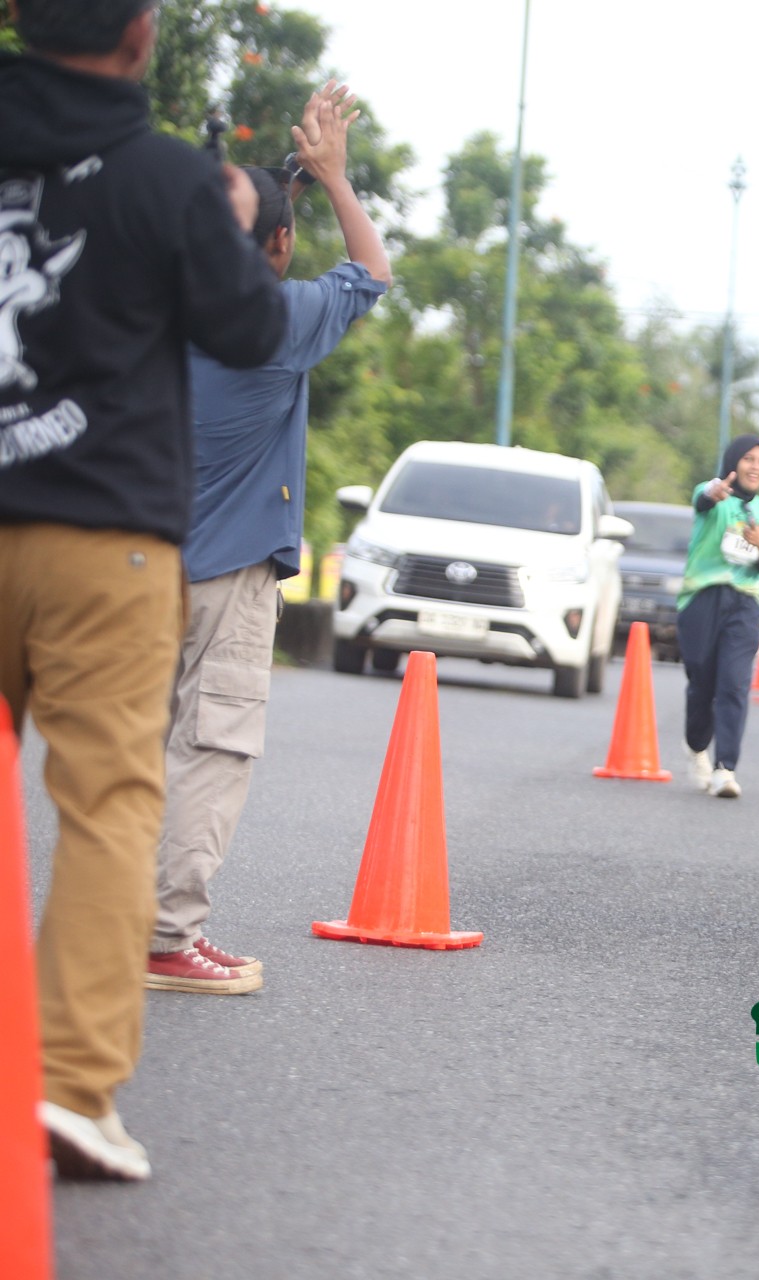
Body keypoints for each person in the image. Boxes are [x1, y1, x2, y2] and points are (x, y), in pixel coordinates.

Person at [0, 0, 287, 1180]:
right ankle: (70, 1088)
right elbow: (251, 327)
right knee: (109, 804)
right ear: (139, 35)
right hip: (102, 535)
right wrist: (230, 222)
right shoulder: (167, 177)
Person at [147, 82, 392, 996]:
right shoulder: (277, 322)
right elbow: (370, 271)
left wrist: (276, 190)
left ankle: (107, 921)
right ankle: (166, 936)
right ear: (280, 247)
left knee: (131, 753)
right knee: (210, 749)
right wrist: (333, 178)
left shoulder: (150, 310)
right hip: (226, 576)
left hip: (130, 564)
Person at [679, 434, 759, 799]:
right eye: (749, 459)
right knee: (702, 682)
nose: (756, 467)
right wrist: (713, 493)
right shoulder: (714, 496)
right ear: (734, 463)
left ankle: (726, 768)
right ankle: (696, 746)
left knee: (734, 683)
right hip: (703, 598)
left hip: (744, 603)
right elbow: (703, 500)